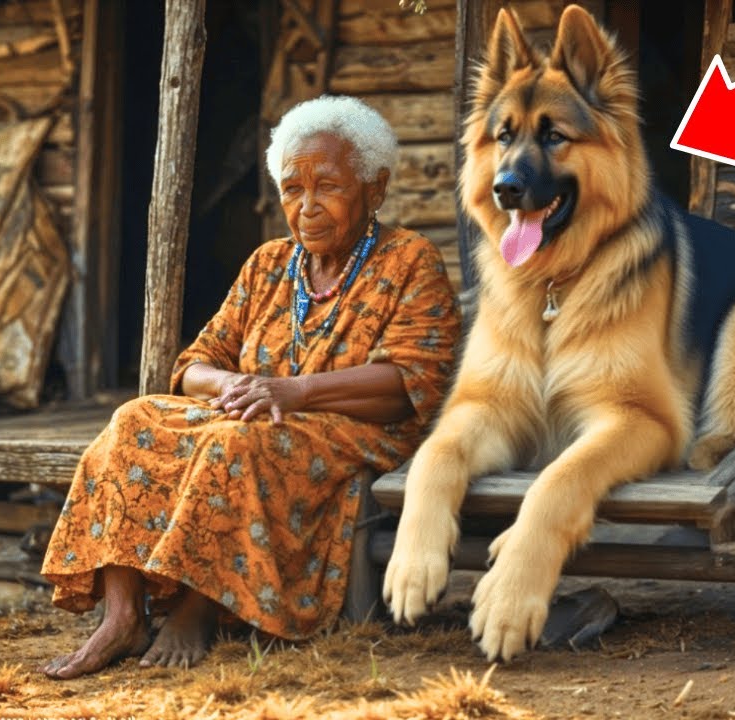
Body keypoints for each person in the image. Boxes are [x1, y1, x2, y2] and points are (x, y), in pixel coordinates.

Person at [38, 95, 461, 679]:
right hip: (254, 413)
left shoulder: (410, 260)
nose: (307, 207)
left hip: (356, 432)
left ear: (375, 188)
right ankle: (122, 616)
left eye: (328, 187)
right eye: (293, 189)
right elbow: (193, 367)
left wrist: (293, 392)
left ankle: (197, 608)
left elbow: (411, 384)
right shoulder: (269, 264)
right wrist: (236, 382)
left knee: (233, 446)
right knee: (132, 419)